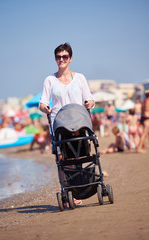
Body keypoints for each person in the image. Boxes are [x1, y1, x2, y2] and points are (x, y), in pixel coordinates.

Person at [39, 43, 95, 205]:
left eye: (64, 56)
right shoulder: (50, 80)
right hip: (59, 124)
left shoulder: (80, 78)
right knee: (62, 158)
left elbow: (90, 98)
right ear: (55, 59)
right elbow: (43, 102)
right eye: (58, 57)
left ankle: (78, 188)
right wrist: (45, 108)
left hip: (78, 122)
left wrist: (89, 103)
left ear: (70, 59)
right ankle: (68, 193)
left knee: (78, 156)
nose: (61, 59)